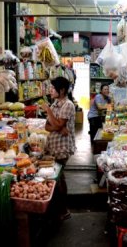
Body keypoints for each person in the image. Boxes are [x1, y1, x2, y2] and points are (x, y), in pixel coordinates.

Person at [41, 77, 75, 221]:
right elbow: (48, 126)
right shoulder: (56, 103)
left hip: (62, 147)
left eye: (53, 88)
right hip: (53, 146)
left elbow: (58, 125)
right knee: (56, 178)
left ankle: (64, 210)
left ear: (61, 90)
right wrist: (57, 127)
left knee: (59, 179)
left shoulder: (67, 105)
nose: (50, 90)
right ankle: (58, 208)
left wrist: (49, 111)